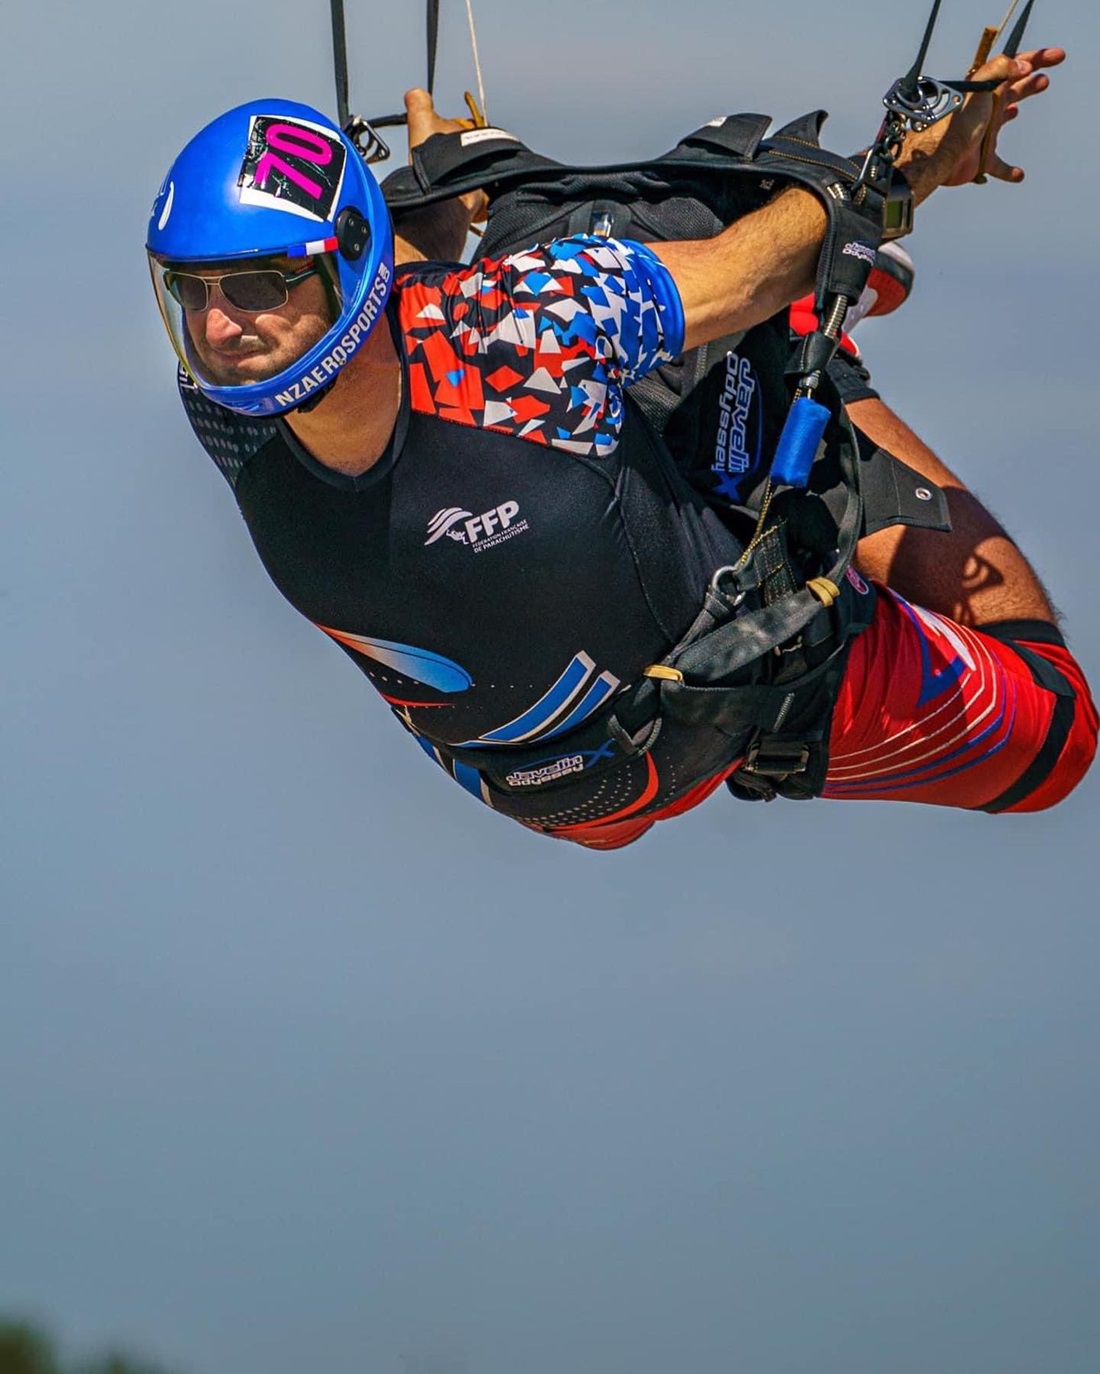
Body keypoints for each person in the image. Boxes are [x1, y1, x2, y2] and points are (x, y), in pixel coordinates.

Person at [145, 46, 1096, 850]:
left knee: (1057, 739)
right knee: (604, 822)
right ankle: (743, 344)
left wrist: (912, 164)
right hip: (568, 793)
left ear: (347, 261)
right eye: (190, 291)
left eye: (257, 284)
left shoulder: (519, 331)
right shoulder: (229, 409)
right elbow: (389, 289)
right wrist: (437, 192)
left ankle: (811, 356)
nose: (219, 328)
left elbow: (743, 271)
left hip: (730, 691)